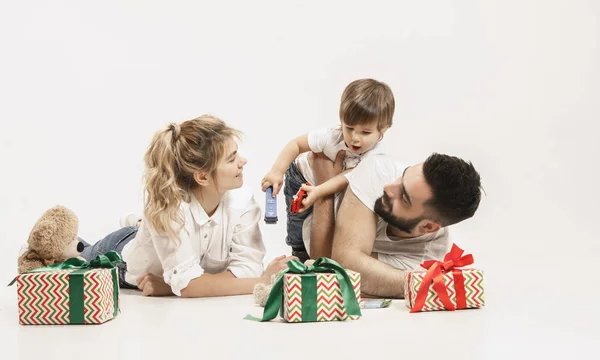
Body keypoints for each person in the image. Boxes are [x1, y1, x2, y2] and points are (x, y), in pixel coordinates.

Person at [79, 114, 296, 297]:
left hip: (164, 247)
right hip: (121, 260)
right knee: (74, 257)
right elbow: (190, 286)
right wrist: (264, 281)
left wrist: (179, 285)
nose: (243, 161)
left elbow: (247, 270)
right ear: (202, 177)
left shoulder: (242, 200)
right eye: (231, 159)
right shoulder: (170, 210)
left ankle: (139, 225)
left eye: (236, 153)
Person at [303, 150, 482, 298]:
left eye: (403, 197)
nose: (388, 188)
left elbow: (331, 268)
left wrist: (418, 284)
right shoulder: (379, 170)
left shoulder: (425, 259)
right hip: (304, 185)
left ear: (427, 227)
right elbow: (343, 261)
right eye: (402, 176)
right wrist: (323, 190)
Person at [260, 78, 396, 262]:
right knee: (297, 220)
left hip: (331, 185)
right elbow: (296, 144)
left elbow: (347, 177)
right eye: (349, 128)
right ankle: (298, 252)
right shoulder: (332, 136)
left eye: (365, 132)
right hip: (301, 178)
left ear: (384, 130)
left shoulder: (376, 159)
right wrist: (277, 170)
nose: (355, 138)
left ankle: (320, 255)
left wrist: (319, 191)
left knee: (335, 223)